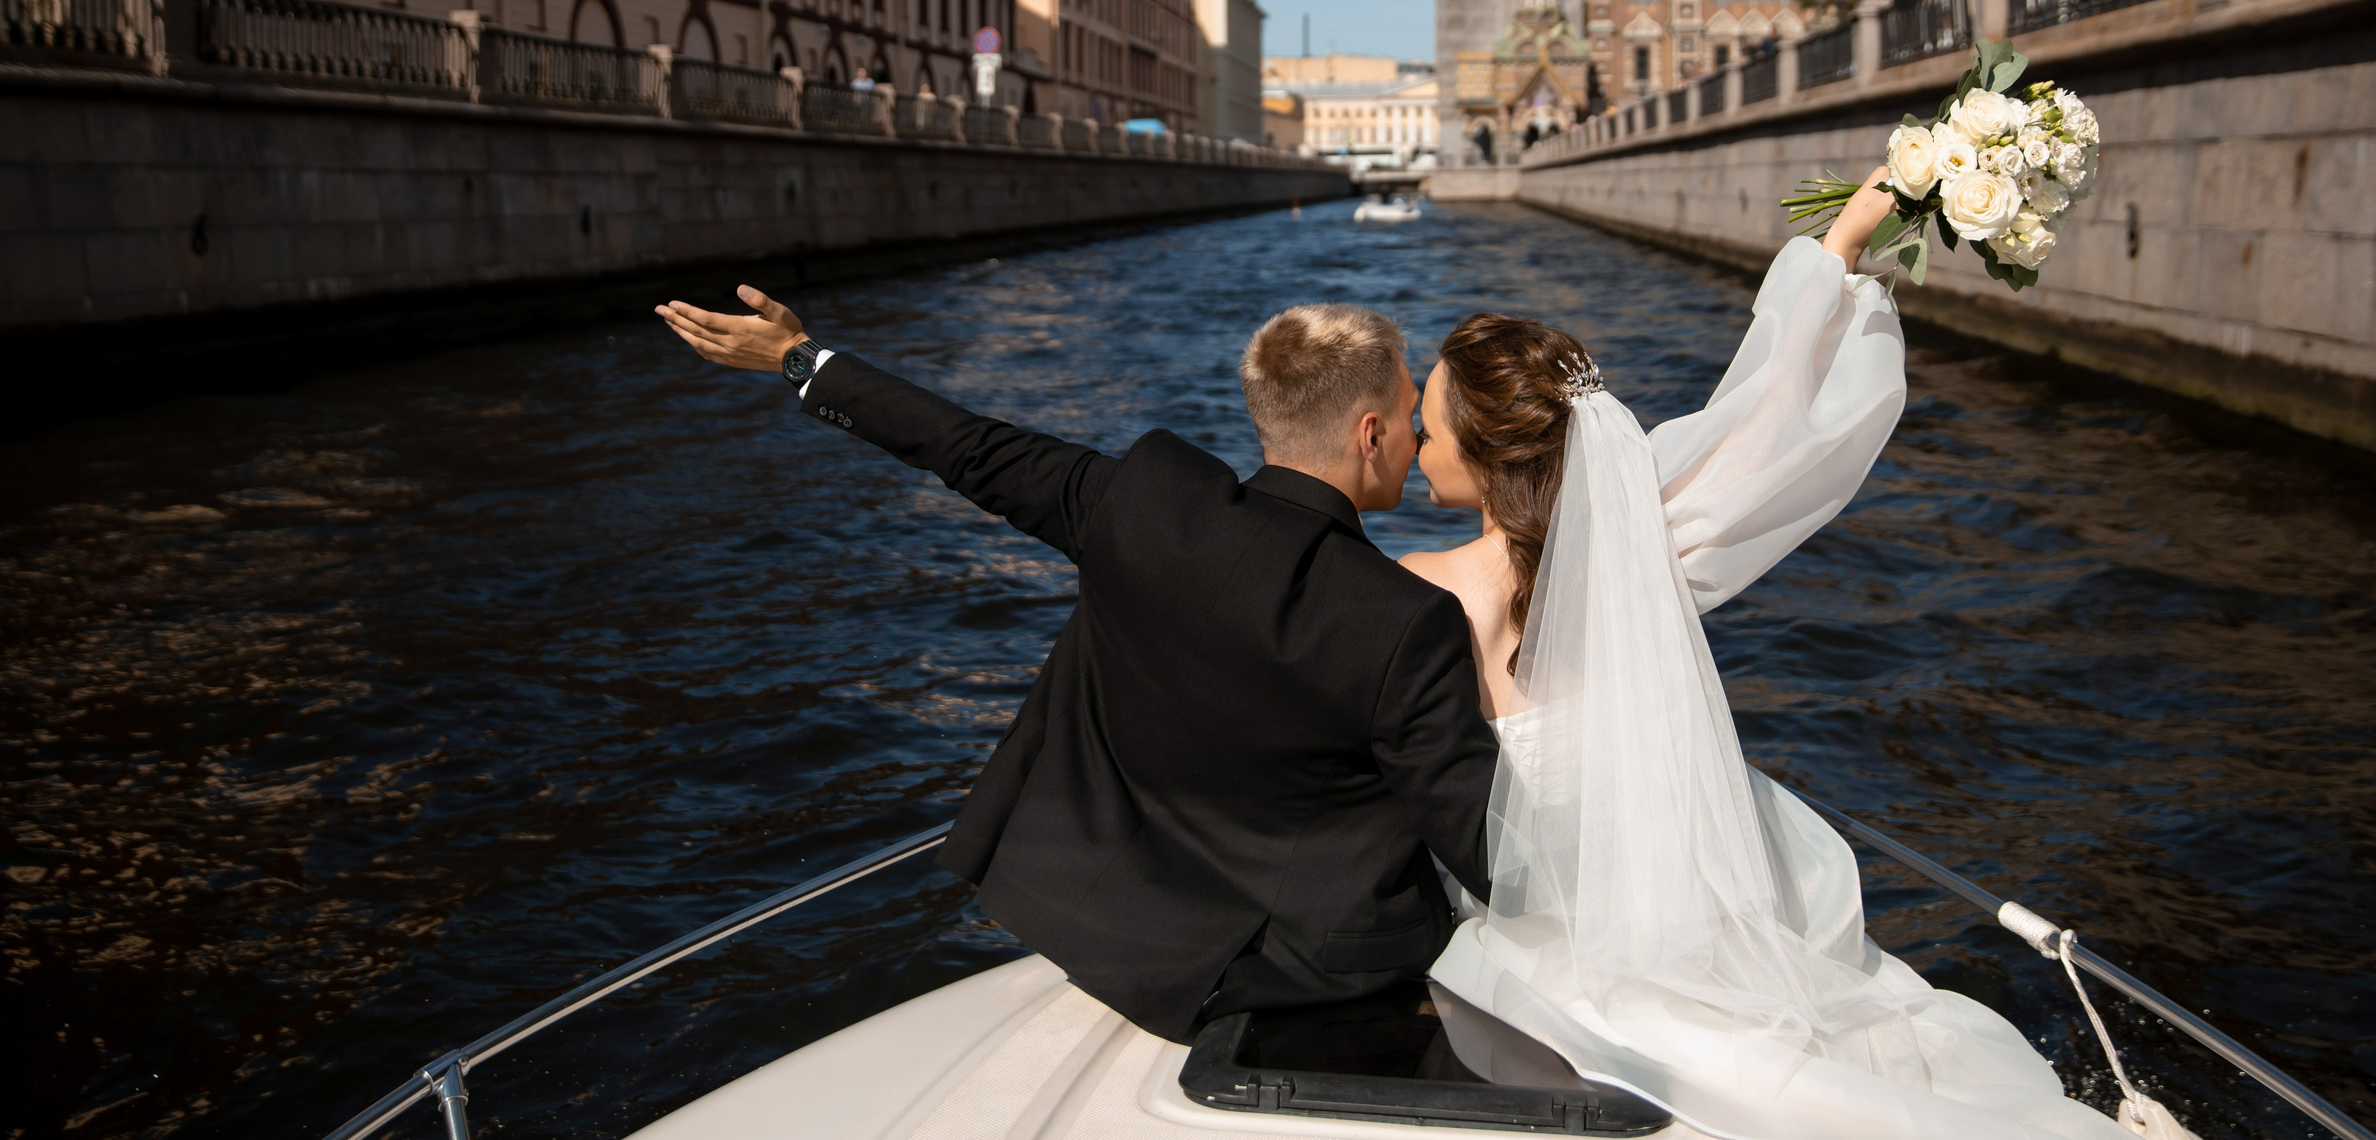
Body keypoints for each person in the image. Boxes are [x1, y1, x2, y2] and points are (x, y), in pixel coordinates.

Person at [1403, 167, 2126, 1140]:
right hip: (1678, 896)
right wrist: (1840, 250)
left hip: (1549, 916)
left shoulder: (1426, 590)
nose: (1414, 441)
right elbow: (1763, 426)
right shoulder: (1641, 539)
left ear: (1480, 449)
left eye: (1427, 423)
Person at [655, 290, 1496, 1043]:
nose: (1420, 434)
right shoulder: (1402, 617)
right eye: (1413, 415)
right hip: (1301, 973)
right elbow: (1482, 842)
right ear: (1371, 432)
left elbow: (966, 446)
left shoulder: (1139, 504)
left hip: (1101, 921)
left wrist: (800, 359)